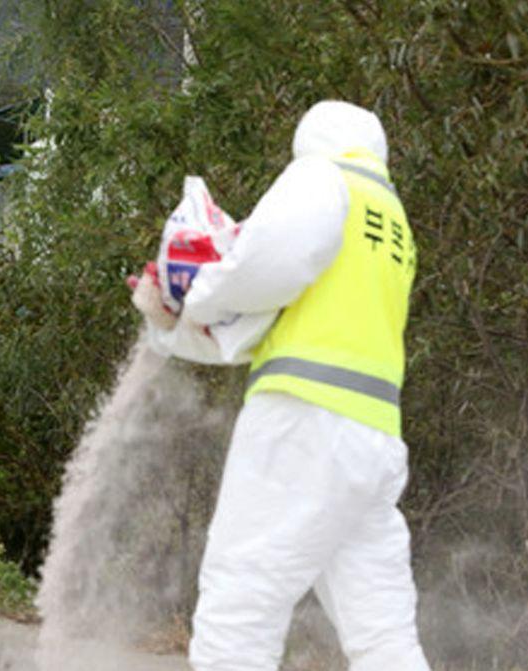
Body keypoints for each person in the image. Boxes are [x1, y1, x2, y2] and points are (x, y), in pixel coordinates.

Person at [132, 100, 431, 670]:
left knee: (239, 605)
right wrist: (171, 326)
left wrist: (192, 294)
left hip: (303, 424)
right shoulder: (393, 221)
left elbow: (261, 268)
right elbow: (269, 319)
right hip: (371, 442)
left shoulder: (323, 178)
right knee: (383, 632)